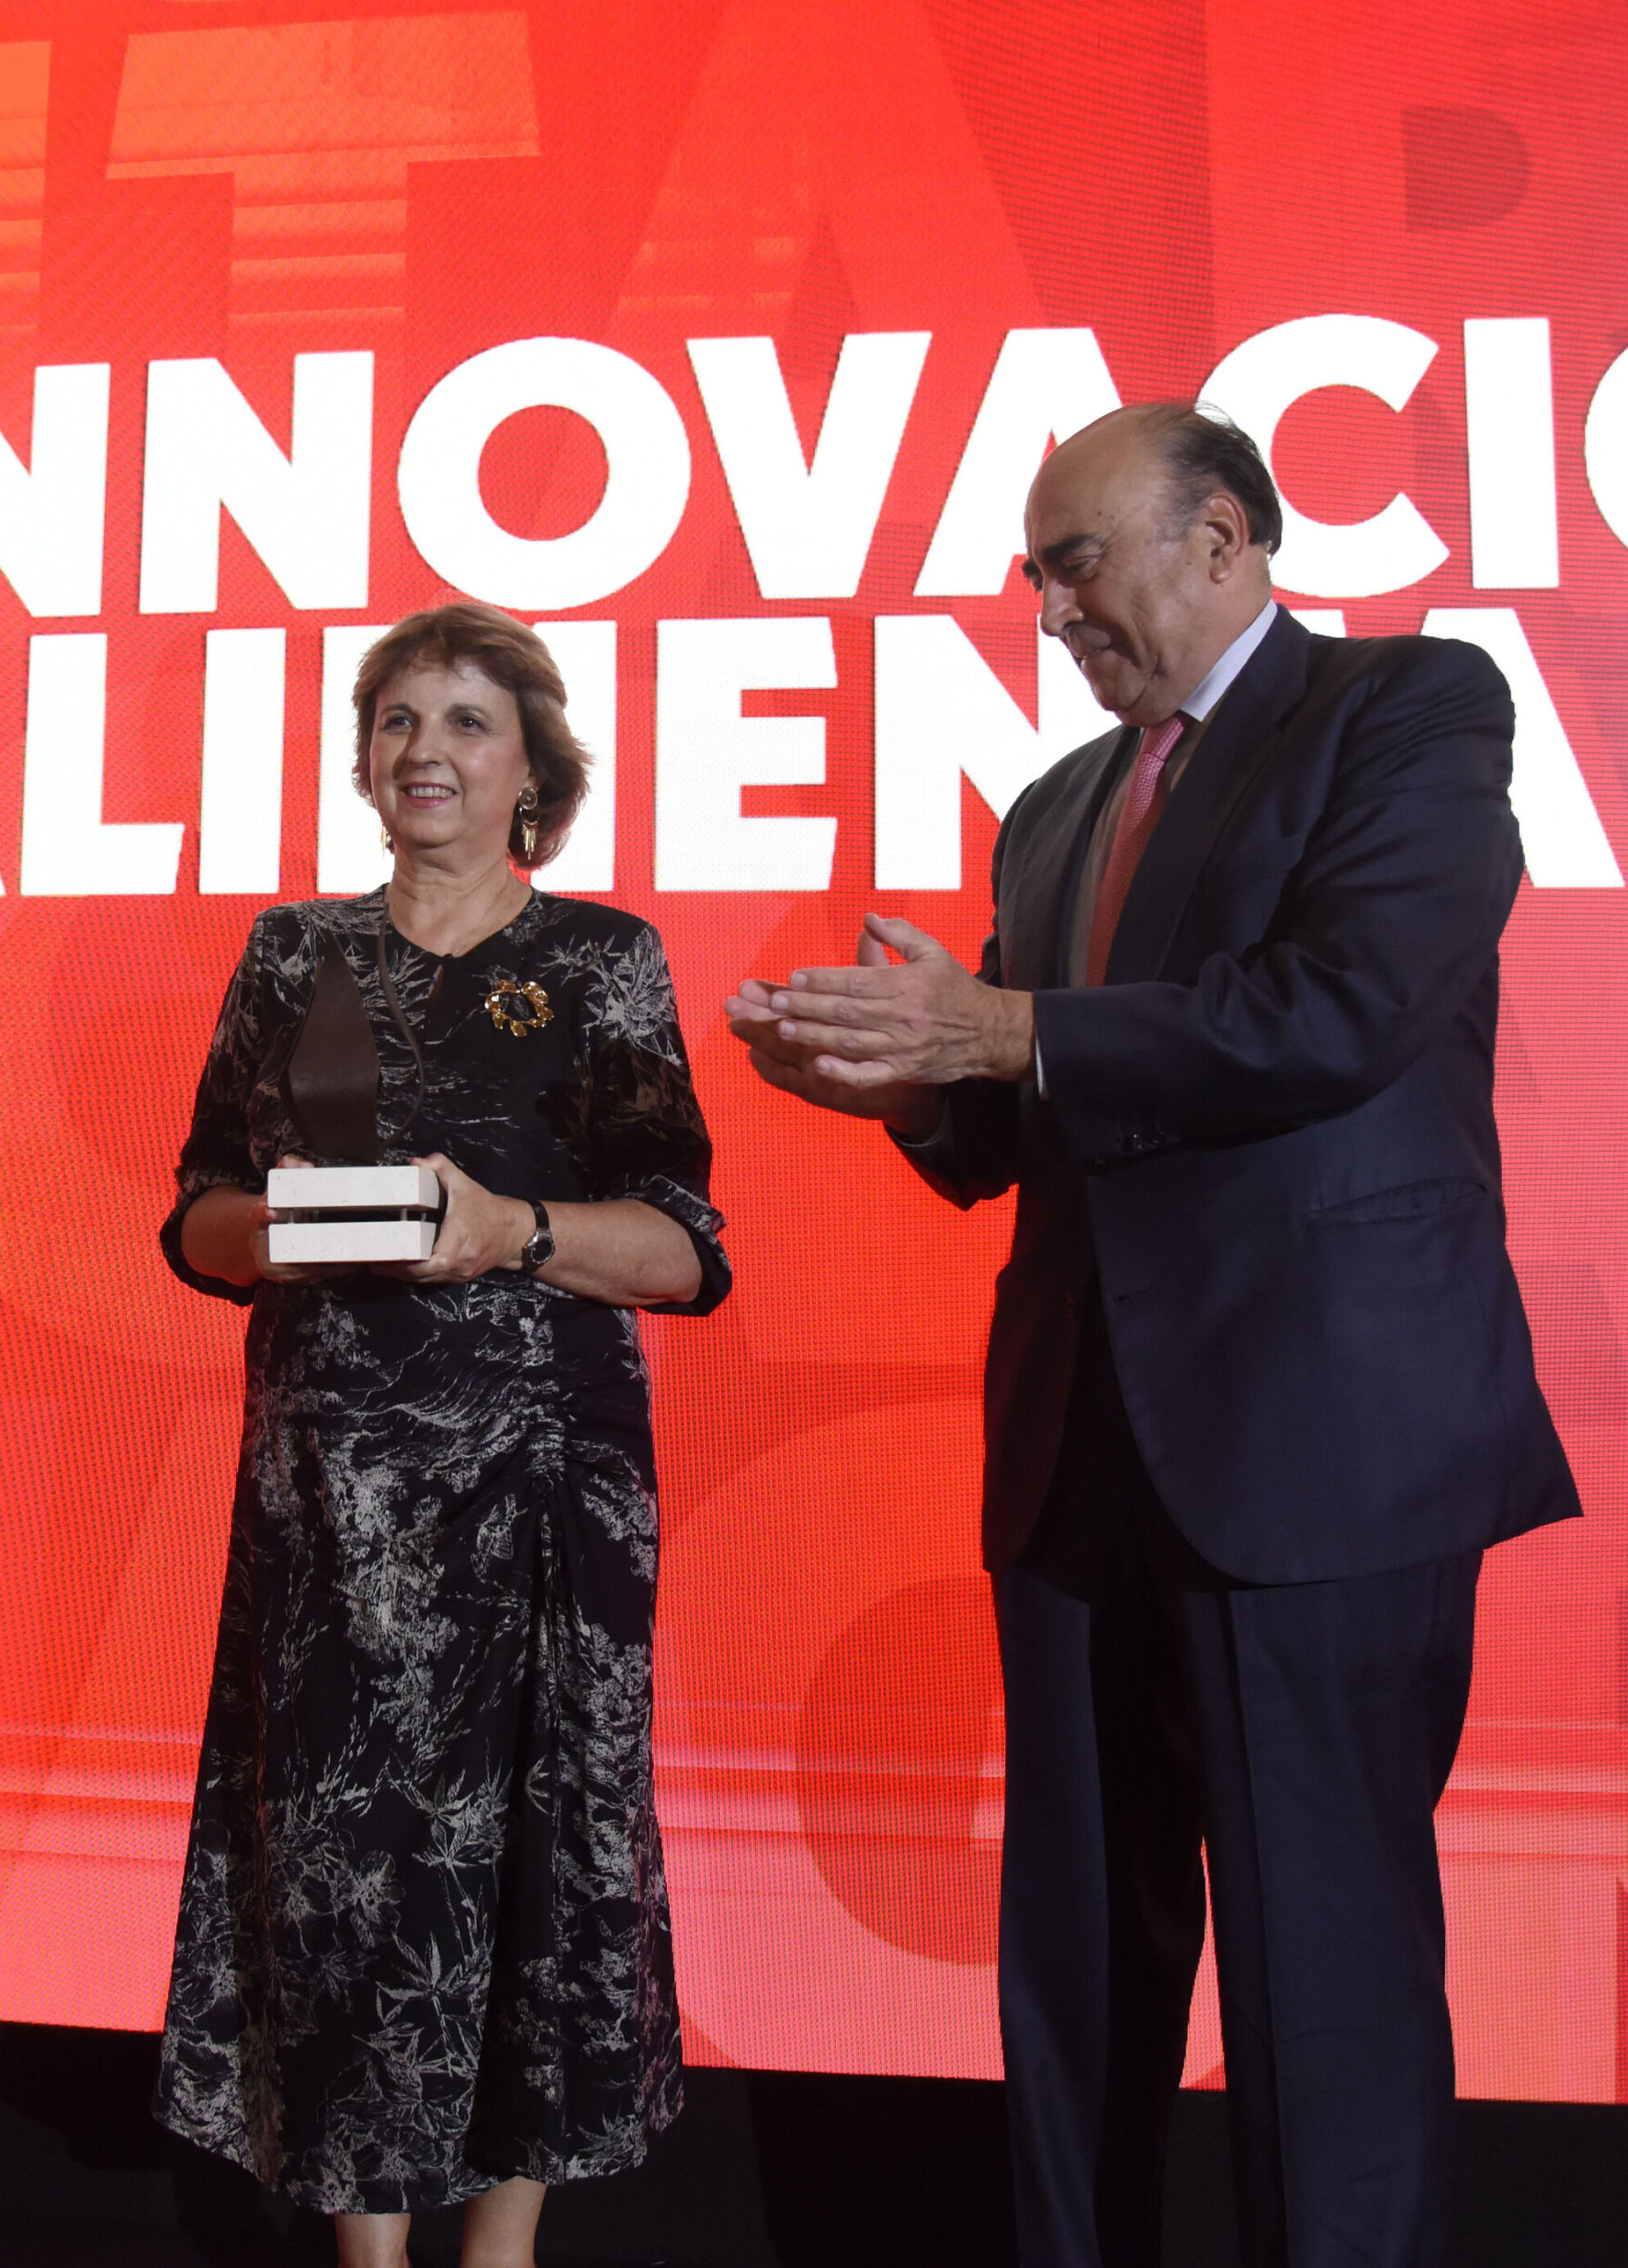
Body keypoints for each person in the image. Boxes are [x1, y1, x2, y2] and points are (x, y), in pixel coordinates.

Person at [727, 404, 1578, 2268]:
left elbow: (1339, 1006)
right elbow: (1017, 1129)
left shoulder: (1405, 710)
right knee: (1077, 1980)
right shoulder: (1054, 808)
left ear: (1223, 539)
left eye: (1076, 561)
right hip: (1077, 1455)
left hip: (1318, 1449)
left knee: (1321, 1978)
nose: (1048, 610)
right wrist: (894, 1076)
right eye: (1035, 575)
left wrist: (998, 1031)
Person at [155, 602, 729, 2267]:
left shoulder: (604, 960)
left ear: (533, 769)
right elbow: (195, 1214)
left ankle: (502, 2248)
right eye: (399, 718)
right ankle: (368, 2254)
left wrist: (508, 1233)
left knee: (541, 1856)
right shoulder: (291, 953)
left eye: (469, 721)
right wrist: (275, 1233)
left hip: (545, 1495)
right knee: (343, 1863)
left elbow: (686, 1249)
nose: (427, 750)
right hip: (330, 1498)